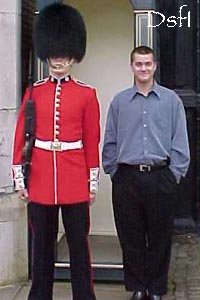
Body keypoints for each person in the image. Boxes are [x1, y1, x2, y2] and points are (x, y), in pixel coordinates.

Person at [12, 3, 100, 300]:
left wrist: (92, 182)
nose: (58, 59)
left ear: (73, 56)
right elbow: (20, 136)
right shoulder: (34, 92)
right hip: (40, 180)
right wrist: (20, 180)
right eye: (54, 54)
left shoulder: (87, 94)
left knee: (78, 249)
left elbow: (91, 139)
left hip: (74, 180)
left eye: (63, 54)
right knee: (41, 251)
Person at [102, 46, 190, 300]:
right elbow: (110, 140)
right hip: (127, 178)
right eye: (138, 64)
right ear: (132, 66)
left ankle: (157, 288)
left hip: (161, 176)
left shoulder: (171, 101)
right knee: (131, 236)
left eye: (147, 64)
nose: (143, 68)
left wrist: (174, 175)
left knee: (160, 236)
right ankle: (138, 288)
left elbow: (180, 140)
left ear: (155, 66)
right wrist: (114, 171)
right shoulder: (119, 102)